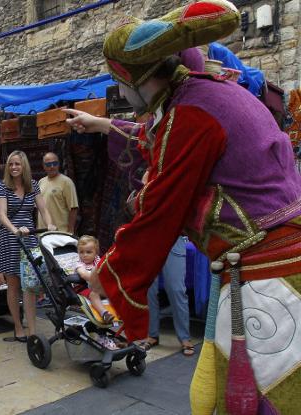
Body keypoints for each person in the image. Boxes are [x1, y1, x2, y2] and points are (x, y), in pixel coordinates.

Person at [64, 2, 300, 411]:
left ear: (134, 77)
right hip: (265, 268)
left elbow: (158, 210)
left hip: (266, 280)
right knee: (221, 391)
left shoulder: (191, 112)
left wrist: (108, 274)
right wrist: (103, 125)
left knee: (264, 396)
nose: (119, 93)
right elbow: (159, 138)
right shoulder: (207, 94)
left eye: (118, 82)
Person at [0, 150, 56, 342]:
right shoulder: (3, 187)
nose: (14, 167)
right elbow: (2, 215)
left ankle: (32, 330)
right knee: (13, 285)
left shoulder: (34, 186)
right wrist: (15, 229)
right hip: (10, 237)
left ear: (24, 166)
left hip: (29, 238)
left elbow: (43, 209)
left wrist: (50, 224)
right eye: (11, 164)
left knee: (29, 286)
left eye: (17, 164)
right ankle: (18, 326)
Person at [143, 236, 194, 356]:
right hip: (149, 238)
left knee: (176, 289)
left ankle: (185, 337)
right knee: (149, 289)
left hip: (174, 238)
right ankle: (152, 334)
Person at [75, 235, 113, 324]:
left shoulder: (98, 260)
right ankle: (104, 313)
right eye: (81, 252)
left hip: (98, 286)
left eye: (88, 252)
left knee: (113, 290)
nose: (84, 255)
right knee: (94, 295)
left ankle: (119, 311)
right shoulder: (79, 264)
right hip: (84, 287)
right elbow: (84, 274)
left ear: (96, 253)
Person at [37, 152, 79, 233]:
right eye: (48, 164)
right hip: (42, 233)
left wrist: (70, 232)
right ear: (44, 166)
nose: (52, 167)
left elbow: (73, 208)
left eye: (55, 163)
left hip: (61, 232)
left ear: (59, 164)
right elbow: (38, 208)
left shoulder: (66, 182)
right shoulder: (40, 182)